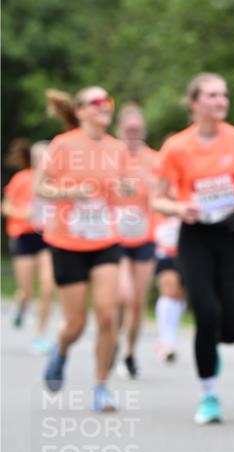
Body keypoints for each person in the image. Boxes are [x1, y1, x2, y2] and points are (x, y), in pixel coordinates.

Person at [153, 73, 234, 425]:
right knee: (206, 314)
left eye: (224, 95)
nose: (221, 101)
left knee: (233, 328)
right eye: (212, 95)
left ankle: (214, 343)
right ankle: (209, 395)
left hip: (233, 232)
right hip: (196, 236)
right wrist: (179, 209)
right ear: (194, 103)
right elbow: (157, 199)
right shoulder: (176, 146)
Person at [38, 88, 132, 412]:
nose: (104, 106)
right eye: (96, 102)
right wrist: (71, 191)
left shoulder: (117, 149)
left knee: (107, 314)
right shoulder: (63, 145)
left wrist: (126, 187)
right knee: (75, 324)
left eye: (109, 100)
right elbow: (41, 187)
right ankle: (60, 350)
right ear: (79, 111)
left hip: (105, 239)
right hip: (67, 241)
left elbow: (124, 188)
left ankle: (101, 386)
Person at [114, 103, 158, 379]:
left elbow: (164, 195)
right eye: (129, 130)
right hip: (114, 238)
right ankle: (112, 339)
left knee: (138, 303)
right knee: (122, 295)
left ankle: (129, 352)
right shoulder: (107, 157)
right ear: (119, 130)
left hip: (144, 236)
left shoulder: (154, 159)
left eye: (138, 130)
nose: (133, 134)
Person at [2, 138, 54, 351]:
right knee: (27, 291)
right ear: (32, 159)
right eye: (39, 158)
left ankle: (40, 335)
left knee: (48, 286)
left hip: (46, 237)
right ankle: (21, 304)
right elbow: (6, 207)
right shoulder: (21, 179)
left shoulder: (56, 182)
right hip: (23, 236)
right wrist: (24, 213)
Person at [153, 210, 186, 363]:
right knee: (169, 289)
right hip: (165, 243)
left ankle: (170, 337)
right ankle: (166, 342)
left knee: (179, 294)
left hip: (187, 245)